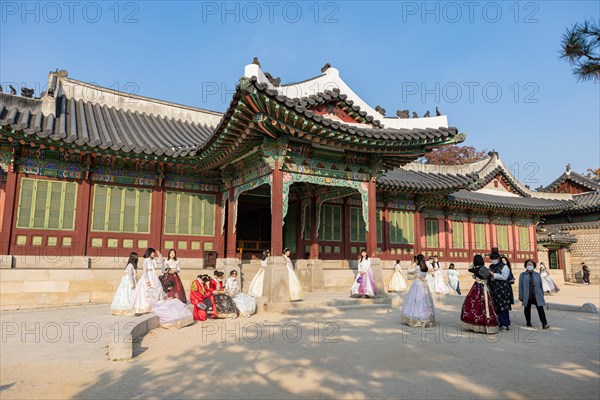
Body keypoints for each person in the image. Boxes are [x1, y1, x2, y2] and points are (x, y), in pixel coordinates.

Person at [460, 255, 499, 334]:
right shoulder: (484, 268)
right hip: (483, 287)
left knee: (474, 305)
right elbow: (488, 276)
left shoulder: (474, 269)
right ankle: (485, 325)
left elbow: (470, 269)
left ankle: (474, 323)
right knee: (485, 306)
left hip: (476, 287)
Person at [401, 254, 436, 327]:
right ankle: (426, 317)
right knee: (425, 301)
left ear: (417, 260)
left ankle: (416, 317)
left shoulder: (417, 267)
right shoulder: (425, 267)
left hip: (417, 284)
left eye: (416, 260)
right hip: (424, 284)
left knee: (416, 300)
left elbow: (409, 271)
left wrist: (411, 264)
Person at [132, 248, 165, 314]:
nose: (154, 254)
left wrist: (159, 254)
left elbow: (161, 261)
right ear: (149, 252)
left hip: (153, 275)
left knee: (156, 289)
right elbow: (144, 271)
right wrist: (147, 281)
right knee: (147, 290)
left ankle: (153, 305)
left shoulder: (154, 260)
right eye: (153, 252)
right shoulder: (146, 260)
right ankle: (146, 306)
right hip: (148, 276)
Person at [518, 260, 550, 330]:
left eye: (531, 264)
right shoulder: (522, 275)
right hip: (527, 295)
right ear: (526, 266)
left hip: (537, 295)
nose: (530, 266)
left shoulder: (537, 275)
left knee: (540, 309)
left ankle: (544, 324)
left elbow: (540, 285)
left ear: (533, 266)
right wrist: (520, 295)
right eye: (528, 264)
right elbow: (520, 286)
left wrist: (541, 294)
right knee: (527, 309)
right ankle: (528, 322)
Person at [488, 248, 512, 331]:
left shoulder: (504, 266)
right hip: (494, 289)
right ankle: (500, 322)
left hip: (502, 290)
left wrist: (494, 275)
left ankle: (505, 324)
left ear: (499, 258)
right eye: (492, 258)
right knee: (496, 306)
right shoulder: (490, 266)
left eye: (495, 258)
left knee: (503, 307)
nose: (493, 260)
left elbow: (505, 277)